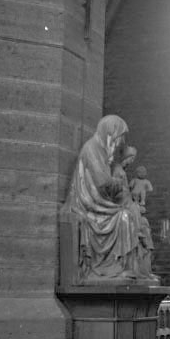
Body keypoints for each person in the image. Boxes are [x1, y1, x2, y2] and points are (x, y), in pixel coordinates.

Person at [62, 115, 144, 281]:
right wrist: (118, 183)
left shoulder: (102, 150)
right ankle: (111, 267)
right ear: (110, 133)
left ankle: (126, 266)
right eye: (119, 137)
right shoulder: (92, 149)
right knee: (124, 217)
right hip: (90, 206)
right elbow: (102, 182)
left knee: (132, 214)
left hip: (100, 203)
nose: (120, 142)